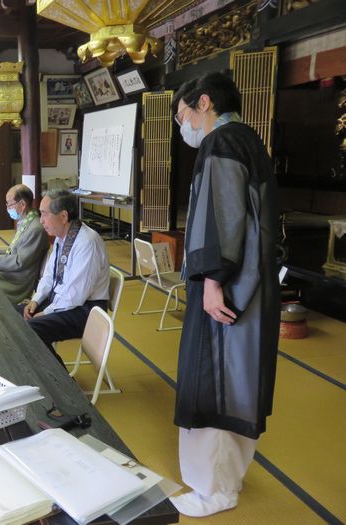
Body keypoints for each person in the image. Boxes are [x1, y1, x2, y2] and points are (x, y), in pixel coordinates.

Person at [169, 72, 280, 517]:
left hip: (229, 287)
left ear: (204, 103)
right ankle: (225, 481)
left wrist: (213, 281)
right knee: (237, 383)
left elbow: (224, 216)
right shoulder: (249, 139)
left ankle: (213, 491)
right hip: (252, 285)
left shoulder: (222, 142)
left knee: (213, 383)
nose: (184, 128)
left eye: (183, 117)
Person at [18, 189, 109, 364]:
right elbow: (49, 276)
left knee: (32, 329)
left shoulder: (87, 242)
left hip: (85, 310)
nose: (41, 220)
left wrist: (46, 312)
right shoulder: (62, 237)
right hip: (62, 300)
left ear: (64, 216)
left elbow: (76, 294)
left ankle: (59, 379)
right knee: (16, 314)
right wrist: (35, 301)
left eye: (44, 214)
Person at [0, 185, 49, 304]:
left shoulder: (35, 228)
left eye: (9, 204)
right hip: (10, 275)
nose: (8, 208)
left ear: (22, 204)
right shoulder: (25, 222)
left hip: (16, 283)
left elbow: (19, 261)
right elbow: (15, 251)